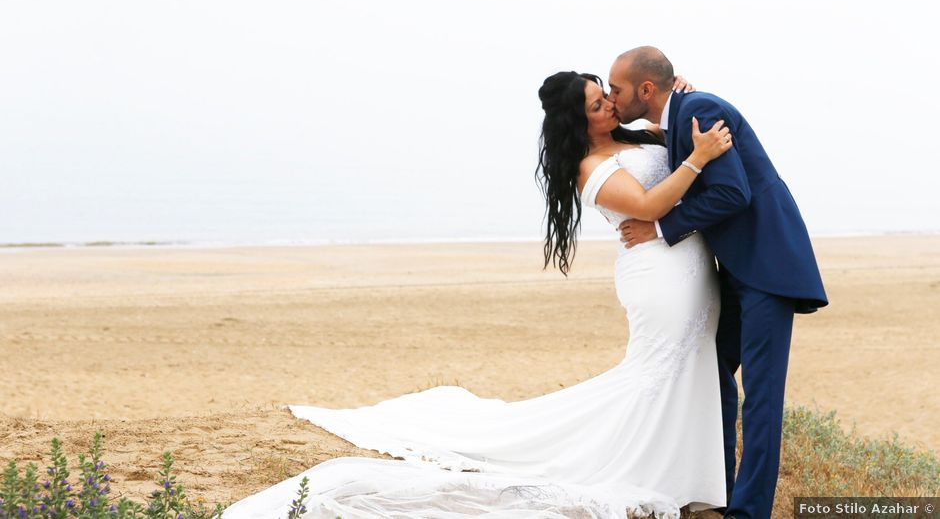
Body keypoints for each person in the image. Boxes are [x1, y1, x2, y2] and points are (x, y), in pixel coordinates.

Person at [223, 71, 733, 519]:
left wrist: (677, 94)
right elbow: (647, 203)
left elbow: (671, 130)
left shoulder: (639, 135)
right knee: (654, 372)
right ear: (578, 124)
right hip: (657, 279)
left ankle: (692, 479)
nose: (610, 105)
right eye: (598, 105)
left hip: (690, 268)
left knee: (689, 368)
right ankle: (661, 473)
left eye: (606, 95)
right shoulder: (590, 166)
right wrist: (700, 157)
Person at [610, 47, 829, 519]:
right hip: (735, 267)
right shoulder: (681, 114)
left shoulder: (700, 108)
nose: (612, 96)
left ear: (646, 89)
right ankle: (720, 491)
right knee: (713, 375)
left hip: (766, 265)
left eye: (616, 89)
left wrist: (660, 227)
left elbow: (733, 191)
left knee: (763, 398)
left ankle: (748, 512)